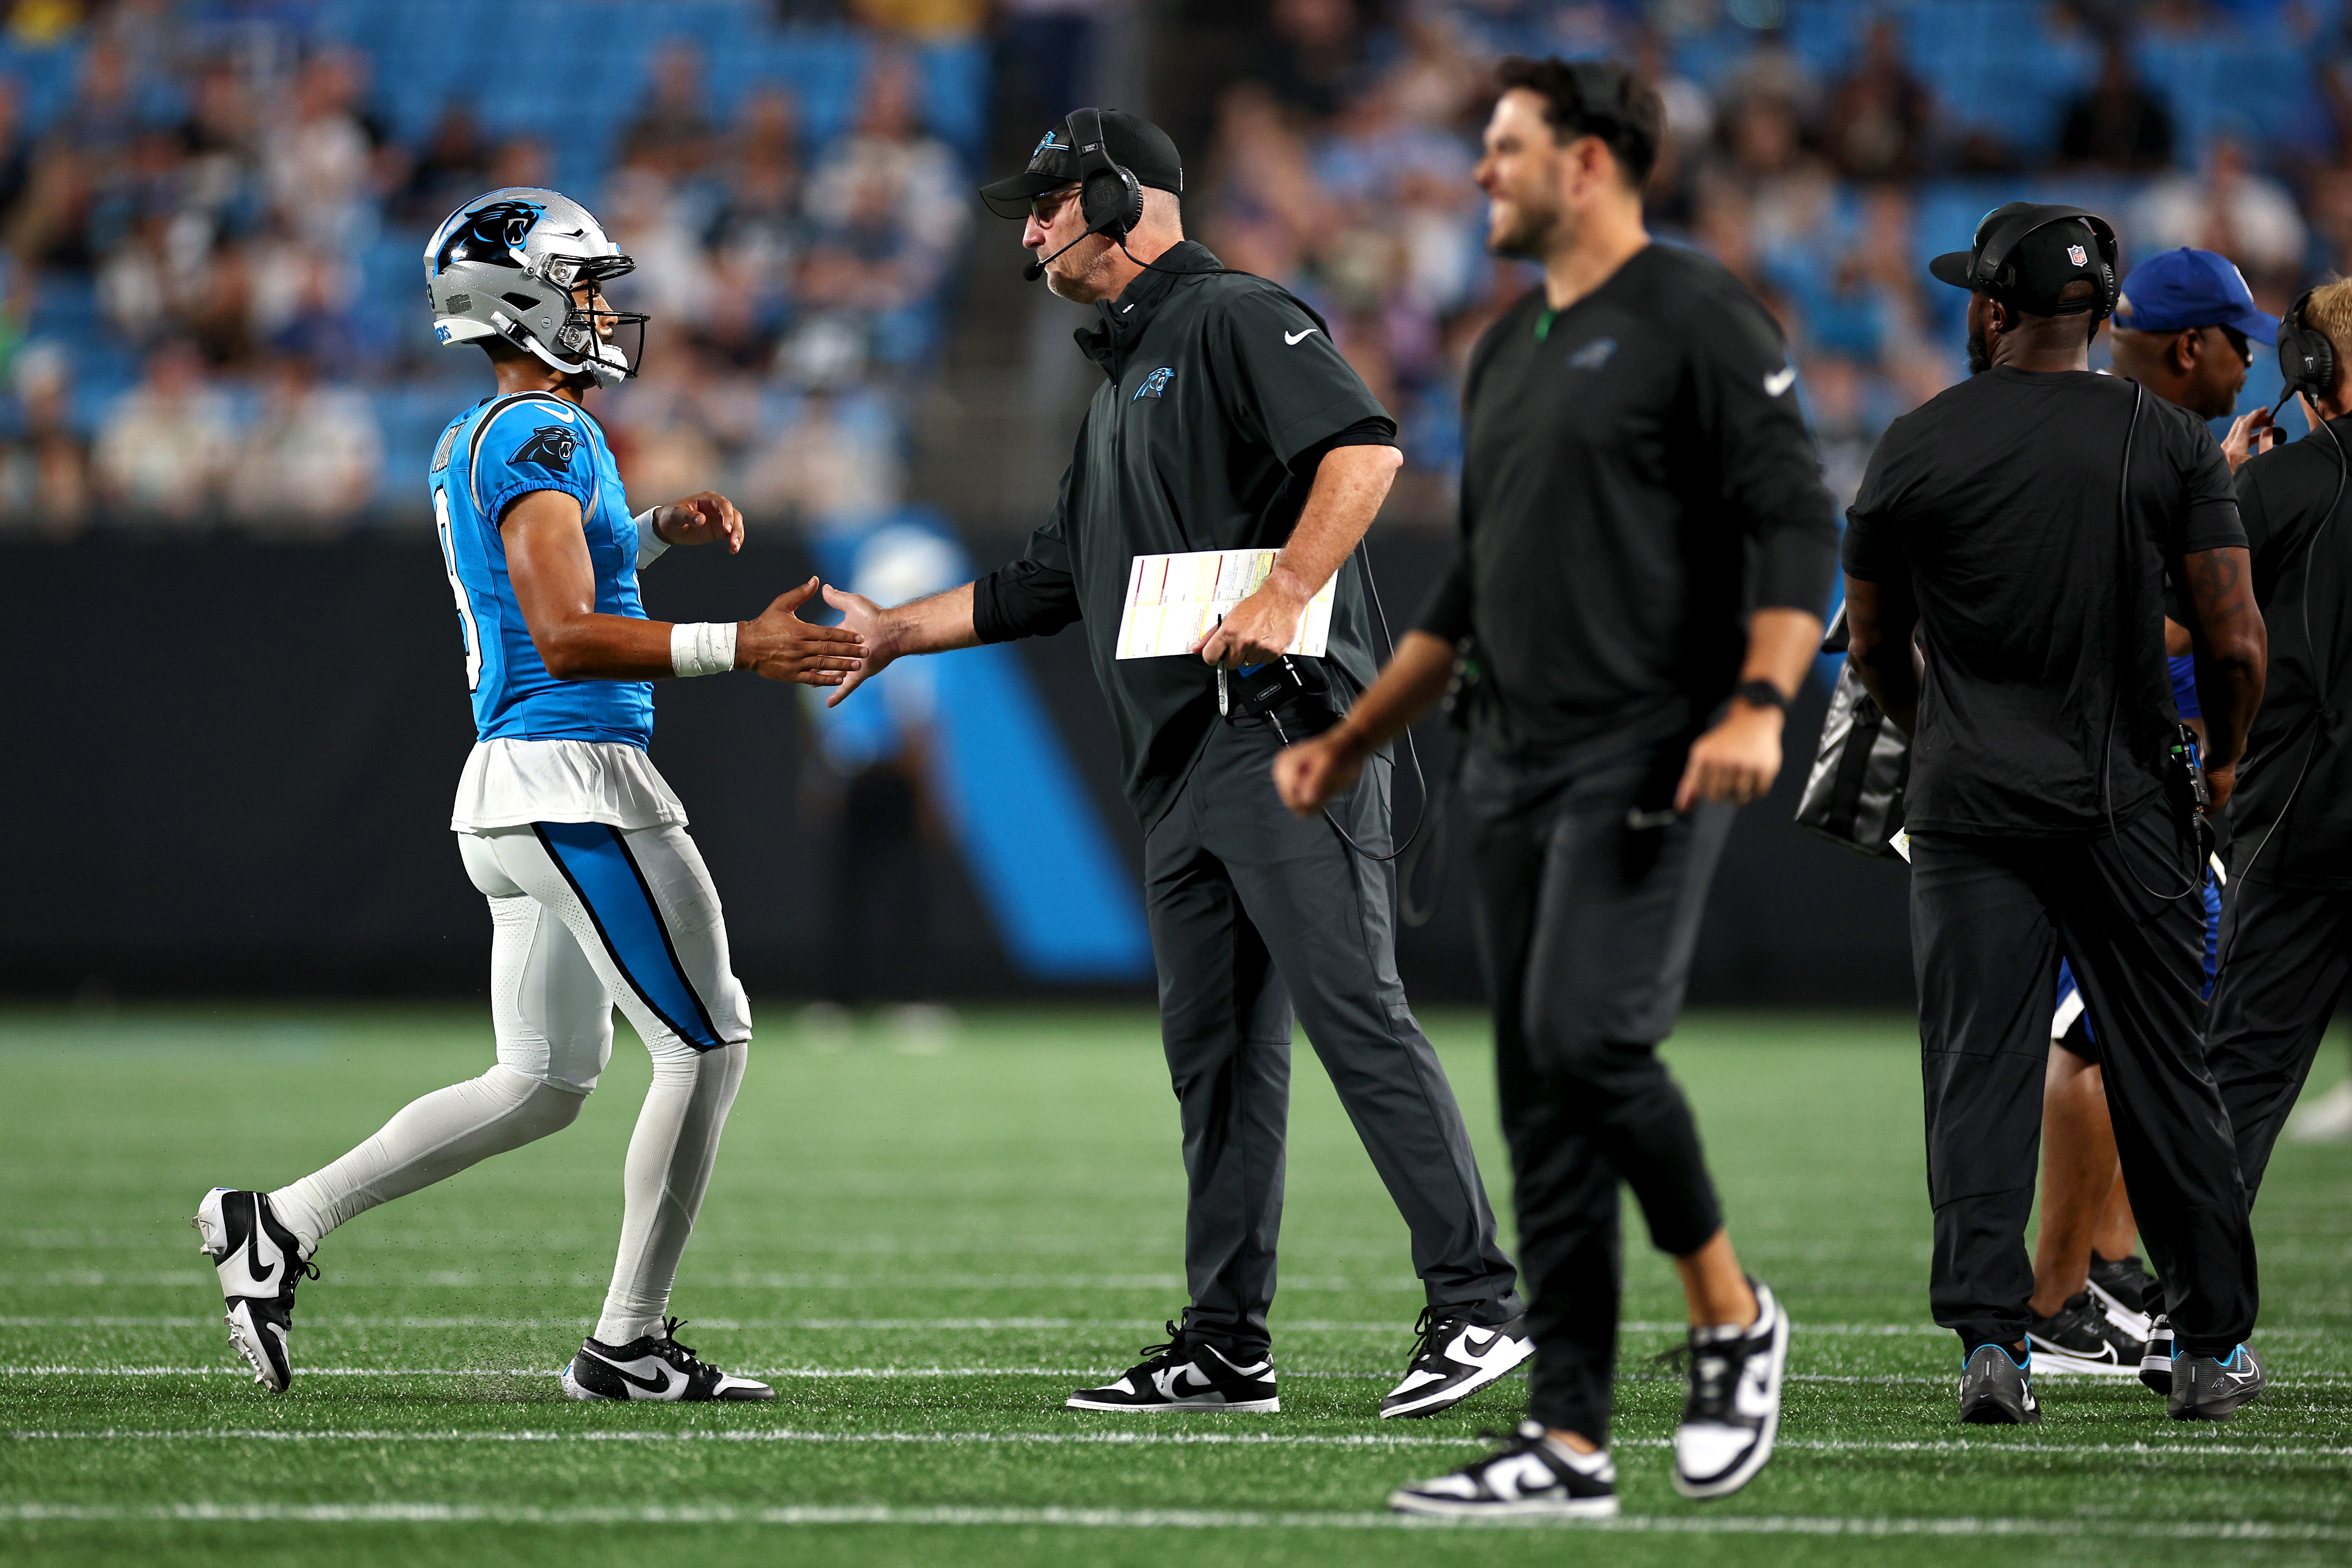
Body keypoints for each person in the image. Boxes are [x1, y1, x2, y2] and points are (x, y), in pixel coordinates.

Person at [824, 109, 1532, 1422]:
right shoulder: (1121, 389)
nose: (1027, 229)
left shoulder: (1226, 313)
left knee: (1351, 1014)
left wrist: (1290, 587)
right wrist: (890, 634)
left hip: (1279, 728)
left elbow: (1366, 449)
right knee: (1214, 1060)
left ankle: (1478, 1305)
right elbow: (1044, 584)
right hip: (1183, 762)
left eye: (1044, 200)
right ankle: (1223, 1346)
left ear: (1114, 193)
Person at [190, 187, 863, 1401]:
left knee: (546, 1082)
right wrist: (740, 647)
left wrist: (649, 531)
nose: (606, 309)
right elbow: (561, 633)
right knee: (706, 1043)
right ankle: (628, 1344)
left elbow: (548, 580)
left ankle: (277, 1222)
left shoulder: (490, 435)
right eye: (585, 285)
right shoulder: (546, 436)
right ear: (524, 297)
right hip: (571, 779)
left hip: (514, 791)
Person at [1279, 58, 1832, 1516]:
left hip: (1650, 746)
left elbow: (1792, 530)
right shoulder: (1504, 349)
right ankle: (1569, 1442)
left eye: (1505, 149)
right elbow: (1468, 589)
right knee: (1537, 1102)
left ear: (1588, 163)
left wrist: (1764, 701)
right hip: (1508, 761)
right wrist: (1351, 739)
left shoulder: (1698, 316)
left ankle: (1728, 1313)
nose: (1478, 176)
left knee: (1590, 1043)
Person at [1841, 202, 2268, 1424]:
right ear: (2096, 313)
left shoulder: (1913, 442)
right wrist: (2225, 763)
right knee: (2162, 1073)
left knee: (1974, 1068)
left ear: (1988, 309)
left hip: (1969, 805)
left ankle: (1992, 1345)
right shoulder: (2165, 443)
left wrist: (1935, 739)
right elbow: (2232, 641)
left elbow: (1870, 640)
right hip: (2126, 798)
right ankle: (2204, 1348)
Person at [2028, 246, 2280, 1383]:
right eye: (2236, 343)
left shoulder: (2135, 437)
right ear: (2191, 346)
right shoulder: (2122, 446)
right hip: (2108, 786)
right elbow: (2127, 622)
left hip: (2115, 777)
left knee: (2137, 1034)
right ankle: (2054, 1296)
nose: (2249, 364)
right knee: (2092, 1039)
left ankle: (2108, 1271)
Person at [2207, 279, 2352, 1218]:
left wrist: (2220, 495)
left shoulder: (2278, 483)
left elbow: (2179, 626)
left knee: (2240, 1080)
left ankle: (2198, 1327)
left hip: (2306, 819)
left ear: (2310, 370)